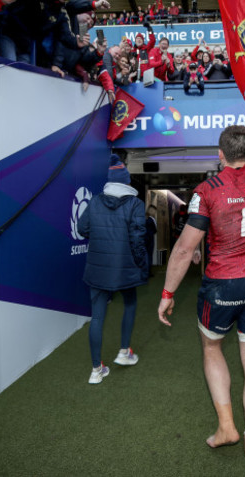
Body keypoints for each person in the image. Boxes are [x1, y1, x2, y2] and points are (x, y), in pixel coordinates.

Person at [158, 102, 245, 466]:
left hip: (222, 285)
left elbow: (184, 249)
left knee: (212, 348)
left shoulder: (207, 189)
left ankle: (228, 426)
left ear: (219, 155)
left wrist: (167, 294)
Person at [78, 155, 148, 384]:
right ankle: (124, 352)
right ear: (126, 182)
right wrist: (141, 264)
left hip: (97, 269)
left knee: (97, 317)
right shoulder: (135, 204)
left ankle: (96, 370)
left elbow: (82, 228)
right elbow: (138, 239)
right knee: (130, 304)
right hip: (125, 268)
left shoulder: (96, 201)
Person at [145, 206, 157, 278]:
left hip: (144, 239)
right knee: (149, 256)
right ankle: (149, 272)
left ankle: (144, 272)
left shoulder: (144, 218)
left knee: (145, 256)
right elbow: (155, 230)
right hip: (150, 240)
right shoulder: (152, 219)